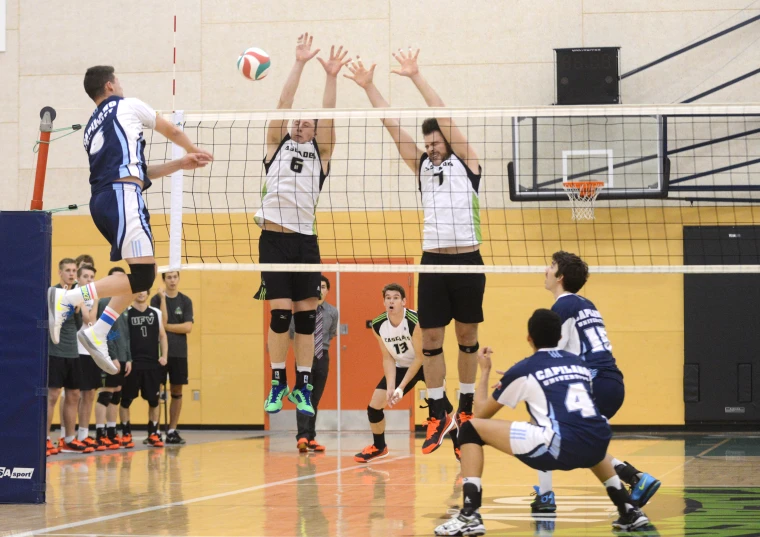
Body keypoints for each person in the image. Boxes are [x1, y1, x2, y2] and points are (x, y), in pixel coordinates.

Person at [345, 49, 484, 454]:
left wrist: (416, 76)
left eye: (437, 140)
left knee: (467, 335)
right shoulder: (423, 167)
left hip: (468, 259)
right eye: (428, 142)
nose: (432, 146)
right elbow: (391, 127)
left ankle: (467, 407)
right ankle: (438, 409)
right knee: (431, 340)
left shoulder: (469, 163)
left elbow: (444, 115)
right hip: (434, 260)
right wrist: (370, 86)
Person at [48, 65, 212, 376]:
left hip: (106, 199)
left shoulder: (91, 128)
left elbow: (140, 170)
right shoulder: (127, 105)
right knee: (143, 277)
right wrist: (193, 149)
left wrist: (180, 163)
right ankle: (68, 297)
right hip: (123, 196)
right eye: (118, 81)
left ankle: (97, 330)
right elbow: (173, 131)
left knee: (141, 274)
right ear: (109, 86)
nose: (121, 85)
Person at [434, 309, 650, 535]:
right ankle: (628, 510)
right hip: (598, 445)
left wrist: (485, 371)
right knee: (586, 432)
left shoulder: (524, 369)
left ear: (529, 338)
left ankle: (470, 514)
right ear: (559, 338)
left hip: (554, 446)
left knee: (469, 429)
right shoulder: (579, 364)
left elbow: (480, 413)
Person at [254, 34, 349, 418]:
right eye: (298, 122)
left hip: (305, 242)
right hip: (273, 239)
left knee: (307, 318)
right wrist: (299, 63)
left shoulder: (321, 154)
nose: (301, 125)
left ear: (314, 131)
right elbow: (282, 103)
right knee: (280, 315)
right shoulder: (276, 144)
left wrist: (330, 76)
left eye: (308, 124)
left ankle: (303, 386)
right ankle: (278, 381)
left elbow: (329, 117)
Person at [530, 251, 661, 512]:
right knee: (581, 444)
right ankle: (634, 479)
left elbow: (550, 354)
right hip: (611, 381)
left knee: (541, 422)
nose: (545, 269)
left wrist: (525, 374)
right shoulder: (586, 304)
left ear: (560, 277)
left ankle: (545, 496)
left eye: (551, 266)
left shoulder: (562, 307)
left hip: (594, 382)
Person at [355, 283, 457, 463]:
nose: (391, 301)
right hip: (401, 366)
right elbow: (387, 358)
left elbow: (419, 358)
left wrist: (401, 388)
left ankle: (459, 445)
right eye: (388, 298)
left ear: (404, 301)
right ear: (384, 302)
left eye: (395, 298)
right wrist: (391, 386)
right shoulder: (378, 324)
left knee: (443, 406)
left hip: (426, 365)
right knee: (374, 406)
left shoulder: (413, 320)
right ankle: (379, 447)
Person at [47, 258, 93, 455]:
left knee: (74, 394)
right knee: (53, 395)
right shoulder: (53, 292)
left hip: (72, 351)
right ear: (60, 272)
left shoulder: (77, 295)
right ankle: (46, 439)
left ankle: (68, 440)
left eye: (74, 270)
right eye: (68, 270)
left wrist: (80, 305)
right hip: (55, 351)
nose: (72, 274)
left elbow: (82, 323)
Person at [288, 275, 338, 453]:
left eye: (323, 286)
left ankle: (311, 438)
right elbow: (292, 333)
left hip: (323, 356)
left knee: (314, 398)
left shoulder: (333, 312)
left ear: (327, 290)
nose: (320, 289)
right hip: (304, 357)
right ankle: (302, 436)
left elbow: (331, 334)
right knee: (303, 397)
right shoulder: (300, 311)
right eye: (317, 286)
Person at [120, 290, 168, 447]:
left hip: (152, 364)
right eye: (138, 291)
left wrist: (164, 356)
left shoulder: (156, 313)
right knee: (126, 400)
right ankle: (126, 433)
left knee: (154, 401)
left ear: (148, 293)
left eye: (144, 291)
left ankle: (153, 433)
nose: (141, 294)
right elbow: (122, 336)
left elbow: (162, 335)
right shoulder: (126, 312)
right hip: (132, 364)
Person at [151, 271, 194, 444]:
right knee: (157, 392)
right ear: (164, 280)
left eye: (175, 277)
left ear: (178, 278)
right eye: (168, 277)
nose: (172, 280)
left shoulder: (185, 301)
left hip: (178, 353)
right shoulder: (155, 299)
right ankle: (155, 431)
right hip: (160, 353)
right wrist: (162, 300)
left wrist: (166, 327)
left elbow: (188, 327)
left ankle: (172, 430)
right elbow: (159, 323)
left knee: (177, 391)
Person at [94, 266, 134, 449]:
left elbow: (125, 335)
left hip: (122, 357)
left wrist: (128, 358)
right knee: (106, 393)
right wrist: (113, 356)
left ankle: (111, 431)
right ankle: (100, 433)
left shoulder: (124, 302)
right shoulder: (105, 303)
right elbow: (106, 332)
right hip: (111, 356)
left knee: (116, 392)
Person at [73, 264, 106, 451]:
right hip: (76, 349)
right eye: (85, 276)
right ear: (79, 278)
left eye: (92, 277)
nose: (89, 280)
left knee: (90, 393)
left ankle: (84, 434)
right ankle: (69, 434)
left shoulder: (92, 296)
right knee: (75, 394)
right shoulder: (78, 294)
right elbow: (90, 321)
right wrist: (94, 304)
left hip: (90, 351)